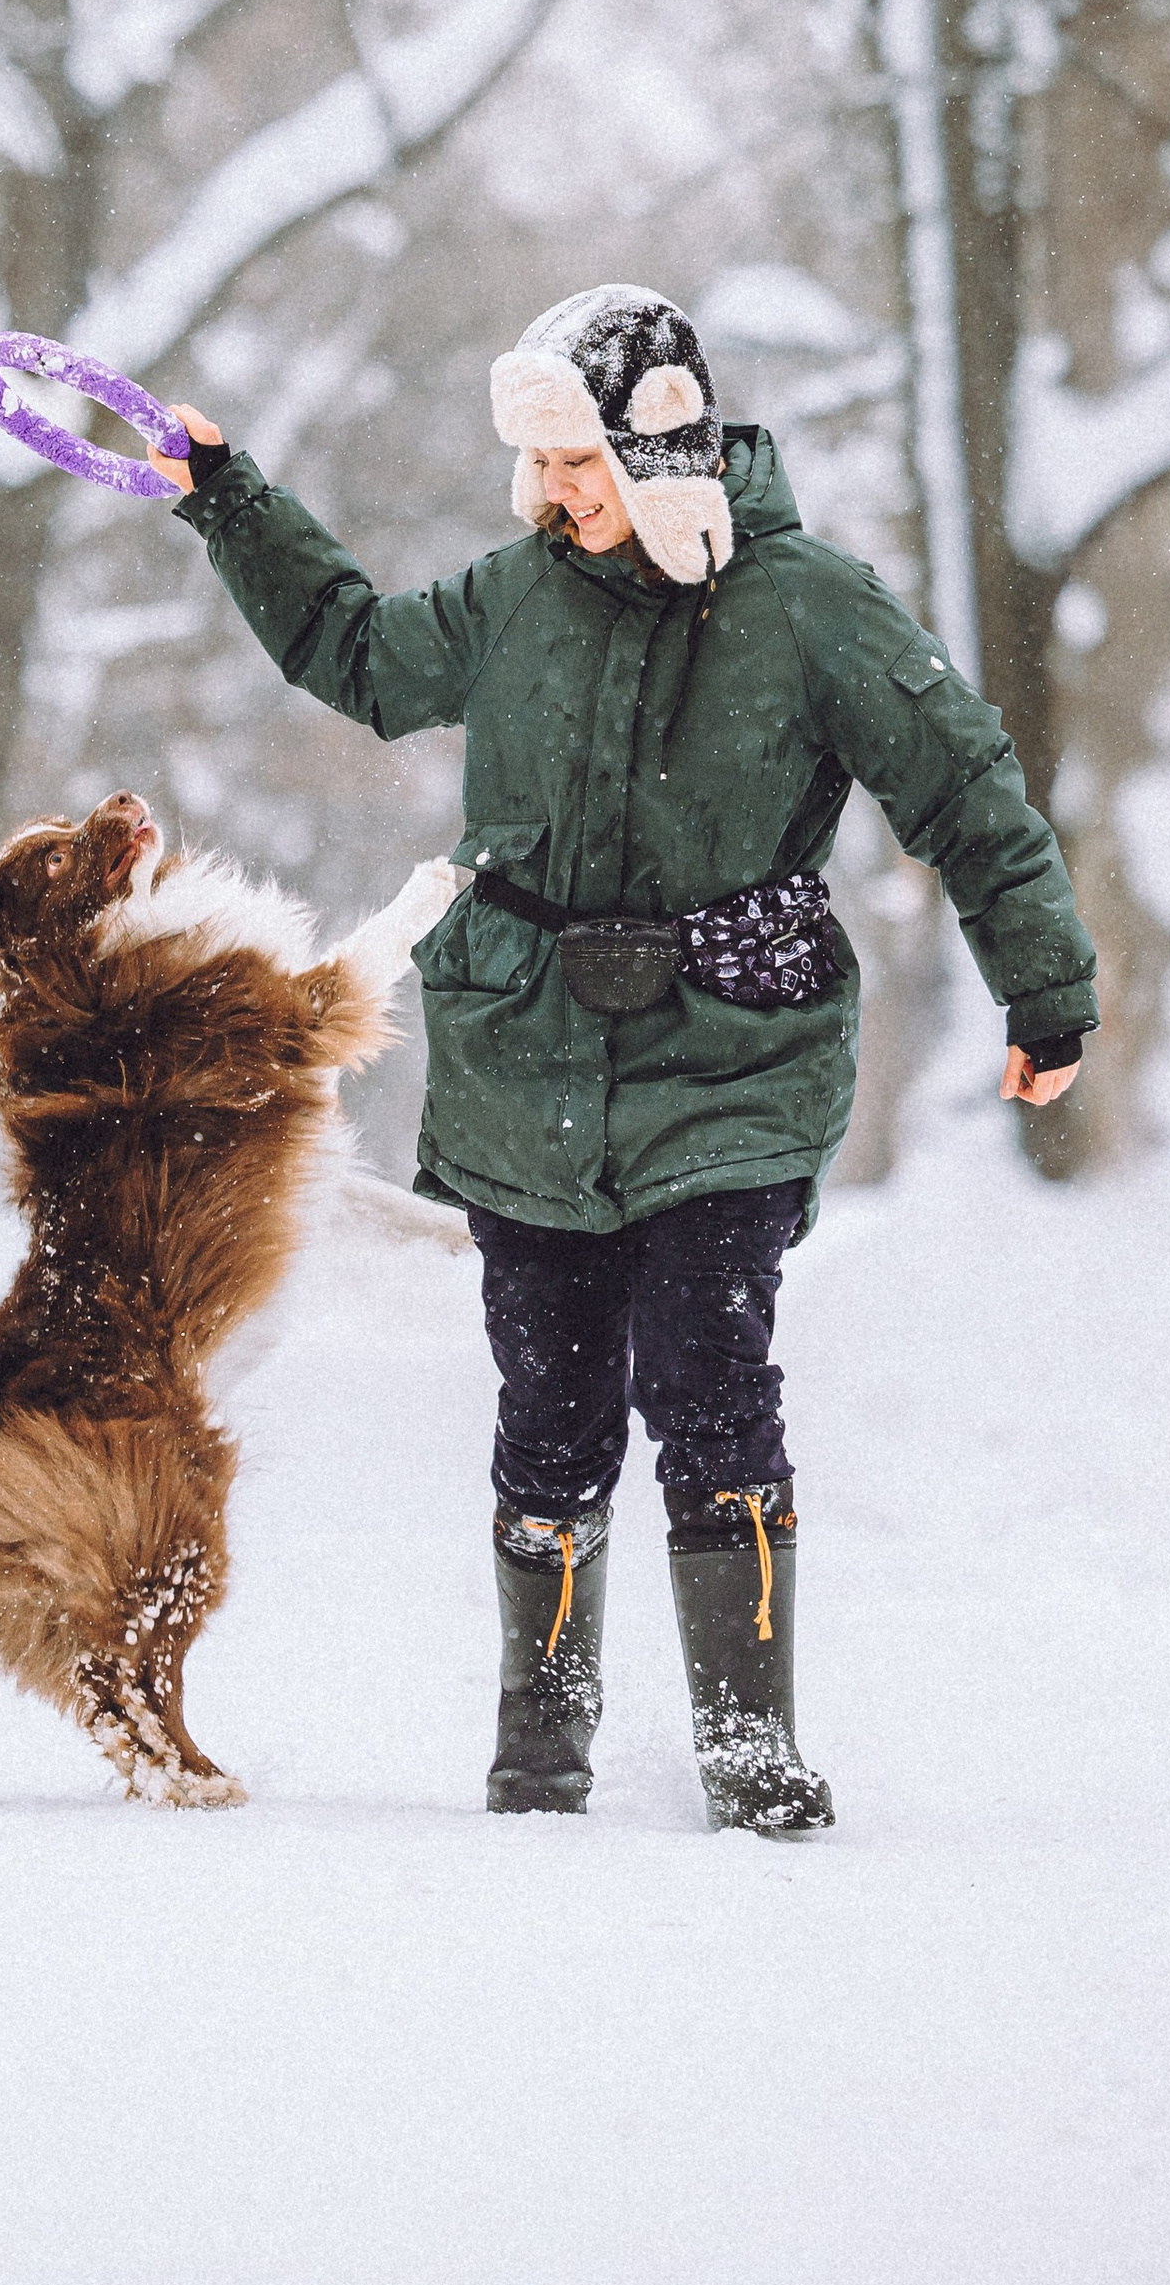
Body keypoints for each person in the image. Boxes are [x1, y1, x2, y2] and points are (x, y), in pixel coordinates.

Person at [152, 282, 1091, 1835]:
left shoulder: (806, 606)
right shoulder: (520, 597)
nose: (556, 500)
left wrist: (1042, 988)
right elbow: (358, 654)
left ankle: (749, 1748)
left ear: (666, 451)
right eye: (542, 472)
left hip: (732, 1062)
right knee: (551, 1403)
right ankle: (544, 1747)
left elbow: (964, 784)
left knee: (711, 1381)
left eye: (582, 467)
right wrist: (225, 495)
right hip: (525, 1061)